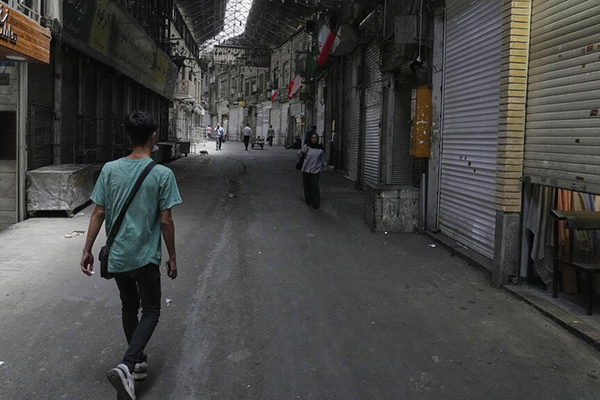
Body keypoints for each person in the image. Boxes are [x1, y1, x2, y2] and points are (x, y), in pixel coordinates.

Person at [80, 111, 182, 400]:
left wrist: (87, 250)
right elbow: (166, 221)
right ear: (154, 136)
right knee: (151, 311)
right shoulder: (162, 174)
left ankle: (137, 364)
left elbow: (98, 212)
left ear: (128, 136)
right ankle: (127, 365)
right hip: (144, 258)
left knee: (129, 306)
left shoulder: (110, 169)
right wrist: (173, 257)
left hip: (117, 256)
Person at [298, 132, 327, 209]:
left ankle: (316, 202)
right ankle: (309, 200)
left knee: (315, 186)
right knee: (307, 185)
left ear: (318, 139)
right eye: (312, 138)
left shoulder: (320, 150)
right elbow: (299, 154)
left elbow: (323, 160)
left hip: (315, 170)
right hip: (306, 169)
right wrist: (303, 152)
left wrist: (324, 168)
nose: (314, 139)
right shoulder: (306, 147)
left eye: (315, 138)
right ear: (310, 139)